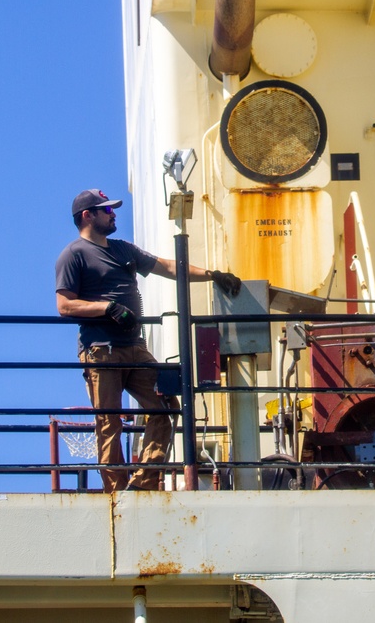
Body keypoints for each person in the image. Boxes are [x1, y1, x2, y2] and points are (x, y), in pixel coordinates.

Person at [55, 189, 241, 492]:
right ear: (87, 215)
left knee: (166, 406)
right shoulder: (73, 254)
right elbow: (64, 305)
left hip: (135, 348)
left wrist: (212, 274)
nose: (113, 214)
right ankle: (115, 491)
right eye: (106, 210)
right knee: (109, 421)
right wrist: (107, 308)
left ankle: (144, 483)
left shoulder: (123, 250)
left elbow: (166, 266)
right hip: (101, 351)